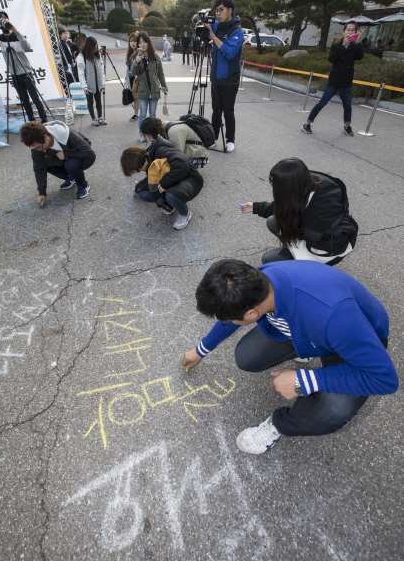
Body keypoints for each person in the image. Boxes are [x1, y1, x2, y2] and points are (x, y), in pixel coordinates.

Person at [182, 259, 398, 455]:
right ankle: (305, 349)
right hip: (303, 329)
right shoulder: (254, 282)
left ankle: (279, 425)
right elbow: (230, 312)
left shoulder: (334, 317)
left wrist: (304, 380)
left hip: (349, 342)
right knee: (246, 357)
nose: (226, 321)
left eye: (229, 319)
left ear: (251, 314)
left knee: (333, 410)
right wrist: (201, 350)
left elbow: (385, 379)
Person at [240, 158, 358, 265]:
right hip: (311, 235)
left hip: (326, 248)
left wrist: (294, 234)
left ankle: (313, 270)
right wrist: (255, 207)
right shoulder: (305, 182)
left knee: (269, 259)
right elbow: (286, 205)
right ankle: (293, 252)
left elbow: (316, 239)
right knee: (273, 222)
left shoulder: (320, 210)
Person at [120, 136, 203, 230]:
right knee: (142, 194)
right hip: (174, 181)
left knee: (171, 195)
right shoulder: (148, 160)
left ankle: (185, 213)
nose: (137, 172)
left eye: (134, 170)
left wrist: (164, 184)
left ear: (137, 165)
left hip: (190, 179)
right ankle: (171, 204)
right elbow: (151, 179)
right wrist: (137, 187)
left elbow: (183, 164)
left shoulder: (160, 151)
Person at [301, 22, 364, 137]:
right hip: (334, 81)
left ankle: (347, 126)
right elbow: (331, 59)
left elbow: (360, 57)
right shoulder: (336, 45)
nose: (350, 32)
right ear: (343, 32)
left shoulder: (355, 46)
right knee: (322, 103)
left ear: (355, 32)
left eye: (352, 30)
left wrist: (358, 43)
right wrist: (343, 45)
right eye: (348, 30)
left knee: (347, 106)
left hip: (346, 81)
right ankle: (307, 124)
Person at [0, 10, 47, 123]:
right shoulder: (0, 39)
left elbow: (27, 47)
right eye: (0, 21)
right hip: (14, 75)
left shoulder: (16, 36)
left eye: (4, 19)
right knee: (24, 100)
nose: (2, 23)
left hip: (26, 73)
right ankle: (32, 121)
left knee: (35, 98)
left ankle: (44, 119)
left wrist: (15, 30)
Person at [20, 120, 96, 201]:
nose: (37, 150)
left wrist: (66, 154)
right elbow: (38, 167)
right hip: (66, 158)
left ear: (46, 137)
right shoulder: (36, 144)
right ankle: (71, 177)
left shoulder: (64, 133)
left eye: (38, 147)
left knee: (70, 165)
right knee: (44, 163)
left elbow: (88, 152)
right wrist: (42, 193)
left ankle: (82, 184)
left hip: (85, 157)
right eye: (34, 148)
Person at [207, 0, 244, 153]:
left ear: (230, 10)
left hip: (230, 79)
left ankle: (230, 140)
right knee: (216, 111)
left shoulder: (237, 32)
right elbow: (204, 29)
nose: (218, 13)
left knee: (228, 111)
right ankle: (213, 137)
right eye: (216, 10)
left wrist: (214, 38)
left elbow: (229, 53)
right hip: (216, 78)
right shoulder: (216, 25)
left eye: (221, 10)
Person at [131, 31, 168, 143]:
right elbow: (134, 72)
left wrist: (164, 87)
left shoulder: (155, 57)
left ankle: (153, 134)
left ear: (148, 42)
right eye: (140, 43)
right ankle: (142, 134)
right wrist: (137, 61)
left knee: (153, 114)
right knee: (142, 114)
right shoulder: (136, 57)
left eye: (144, 42)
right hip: (142, 90)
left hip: (154, 90)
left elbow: (160, 74)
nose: (142, 45)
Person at [141, 117, 209, 168]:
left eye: (148, 136)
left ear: (154, 131)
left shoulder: (174, 131)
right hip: (187, 148)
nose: (149, 138)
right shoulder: (161, 126)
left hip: (197, 154)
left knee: (172, 163)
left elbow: (178, 154)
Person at [77, 36, 106, 127]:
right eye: (94, 47)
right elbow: (80, 73)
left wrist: (103, 83)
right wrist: (84, 86)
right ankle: (93, 118)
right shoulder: (81, 57)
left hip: (97, 83)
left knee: (98, 100)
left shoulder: (97, 55)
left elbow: (101, 69)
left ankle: (100, 117)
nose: (95, 49)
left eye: (96, 47)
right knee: (90, 102)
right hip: (88, 84)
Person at [125, 31, 139, 122]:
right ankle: (136, 114)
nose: (132, 43)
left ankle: (137, 114)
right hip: (130, 78)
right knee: (135, 98)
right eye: (131, 41)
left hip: (137, 78)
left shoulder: (138, 53)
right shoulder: (130, 54)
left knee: (137, 97)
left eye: (134, 41)